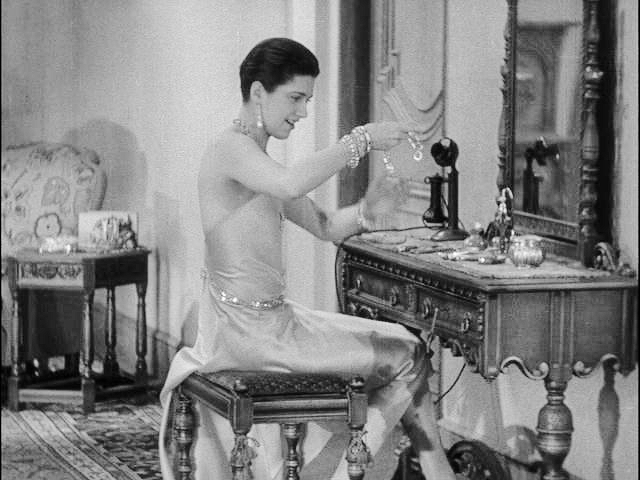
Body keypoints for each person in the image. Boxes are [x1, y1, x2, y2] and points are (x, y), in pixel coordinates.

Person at [158, 37, 457, 480]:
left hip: (271, 326)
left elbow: (325, 225)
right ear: (258, 92)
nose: (302, 112)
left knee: (403, 344)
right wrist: (360, 140)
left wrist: (368, 211)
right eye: (295, 98)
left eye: (307, 101)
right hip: (248, 336)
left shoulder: (257, 161)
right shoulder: (230, 150)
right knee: (408, 352)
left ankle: (430, 470)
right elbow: (291, 184)